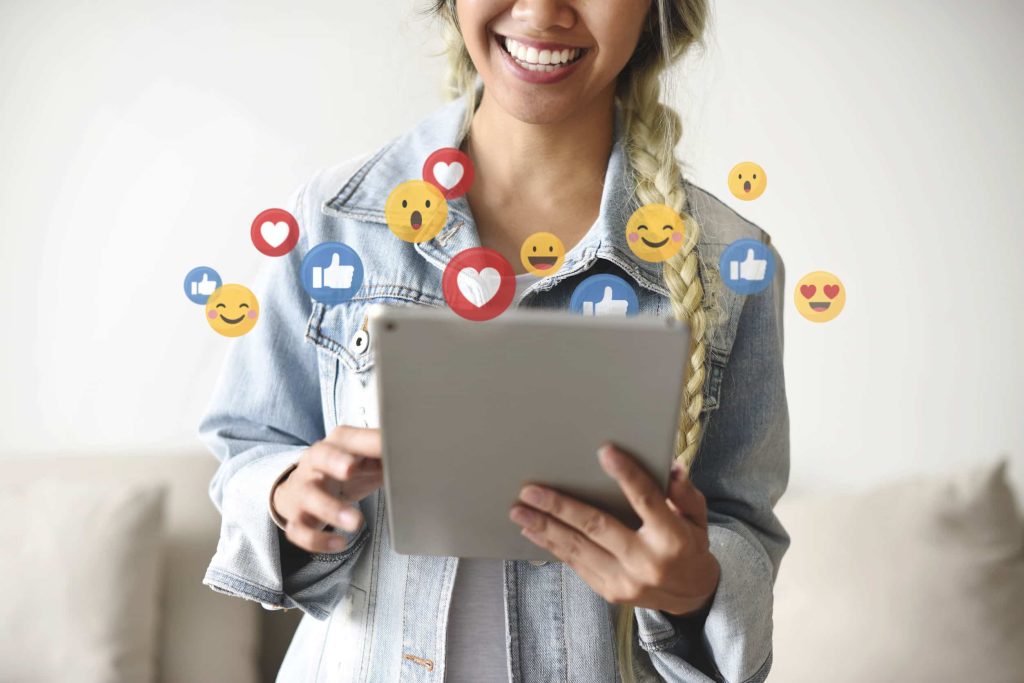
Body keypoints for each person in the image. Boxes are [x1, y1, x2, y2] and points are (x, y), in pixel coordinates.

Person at [199, 1, 789, 681]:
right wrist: (286, 497)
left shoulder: (730, 262)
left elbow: (742, 531)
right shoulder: (332, 221)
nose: (541, 10)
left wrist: (693, 587)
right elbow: (246, 447)